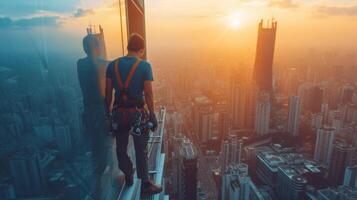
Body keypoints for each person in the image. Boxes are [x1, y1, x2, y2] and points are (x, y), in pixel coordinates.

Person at [105, 33, 162, 196]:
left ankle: (128, 173)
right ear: (141, 50)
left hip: (118, 114)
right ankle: (145, 183)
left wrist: (108, 114)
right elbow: (148, 93)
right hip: (137, 114)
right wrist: (152, 114)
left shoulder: (112, 65)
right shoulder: (144, 66)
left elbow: (107, 94)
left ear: (128, 48)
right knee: (141, 148)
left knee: (121, 148)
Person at [77, 34, 111, 200]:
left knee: (96, 146)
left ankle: (98, 184)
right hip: (100, 111)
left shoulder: (80, 64)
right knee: (105, 144)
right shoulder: (103, 64)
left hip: (88, 112)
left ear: (84, 48)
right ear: (97, 47)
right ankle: (105, 179)